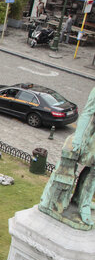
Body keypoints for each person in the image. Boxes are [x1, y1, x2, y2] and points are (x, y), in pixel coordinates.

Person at [39, 86, 95, 226]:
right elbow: (87, 112)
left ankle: (81, 200)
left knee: (92, 171)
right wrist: (78, 137)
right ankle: (83, 205)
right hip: (92, 137)